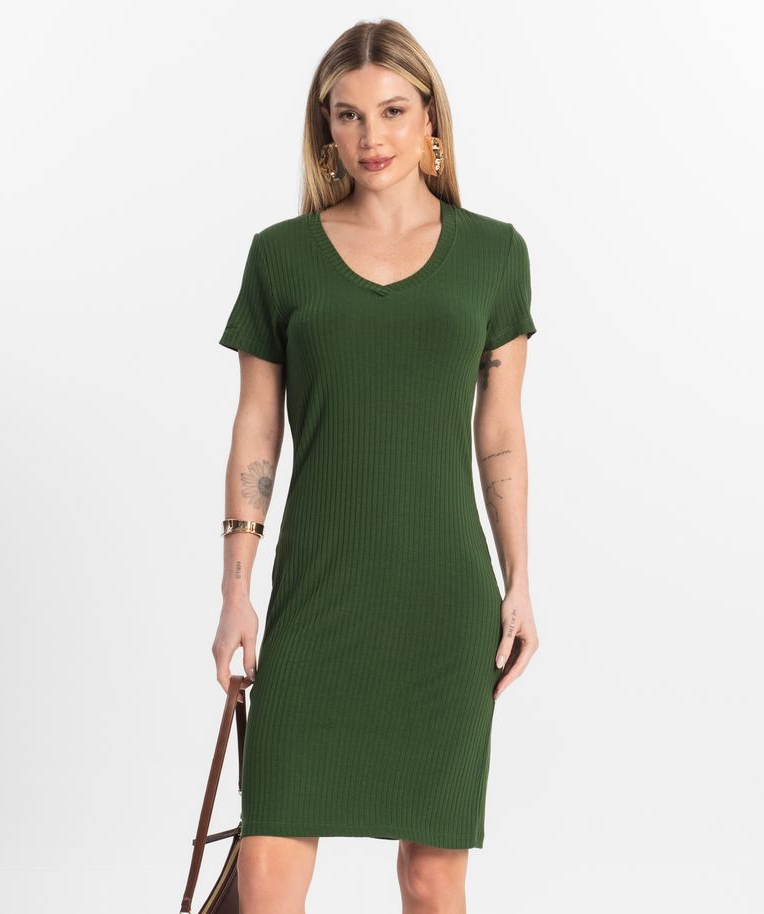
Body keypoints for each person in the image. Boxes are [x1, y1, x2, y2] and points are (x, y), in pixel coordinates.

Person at [213, 18, 540, 914]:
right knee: (267, 866)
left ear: (429, 116)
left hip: (443, 602)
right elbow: (256, 429)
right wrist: (236, 591)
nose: (371, 136)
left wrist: (519, 582)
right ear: (324, 127)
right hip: (318, 594)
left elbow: (500, 434)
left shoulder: (495, 253)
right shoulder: (282, 256)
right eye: (348, 115)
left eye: (392, 110)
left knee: (433, 877)